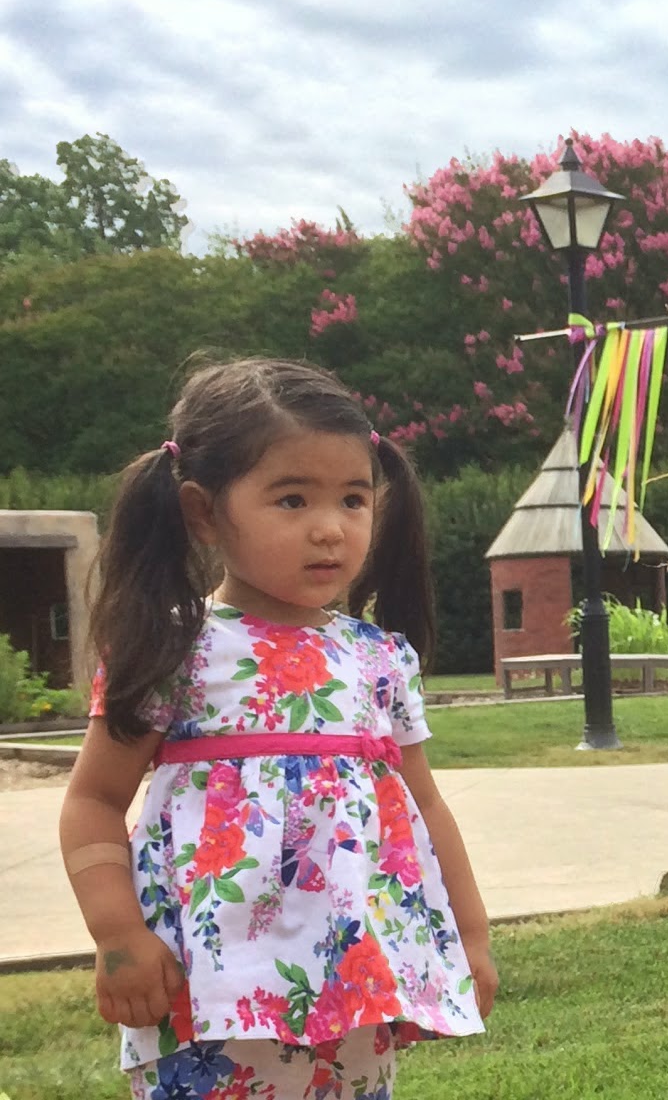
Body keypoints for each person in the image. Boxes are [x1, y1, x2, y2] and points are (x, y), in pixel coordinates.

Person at [58, 358, 493, 1100]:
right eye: (291, 500)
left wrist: (471, 936)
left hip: (355, 976)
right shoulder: (172, 647)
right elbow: (93, 801)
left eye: (354, 500)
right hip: (204, 982)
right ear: (202, 512)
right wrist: (118, 935)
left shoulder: (378, 656)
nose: (330, 529)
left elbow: (425, 805)